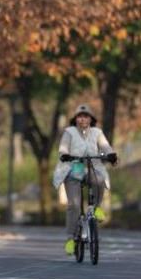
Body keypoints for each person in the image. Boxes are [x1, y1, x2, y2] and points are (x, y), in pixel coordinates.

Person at [52, 103, 117, 256]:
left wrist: (111, 154)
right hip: (75, 166)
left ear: (91, 119)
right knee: (74, 205)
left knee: (99, 180)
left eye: (86, 116)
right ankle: (70, 239)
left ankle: (97, 208)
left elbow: (105, 146)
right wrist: (65, 154)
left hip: (92, 165)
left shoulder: (97, 132)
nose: (83, 119)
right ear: (75, 119)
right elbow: (63, 148)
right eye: (80, 117)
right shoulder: (69, 132)